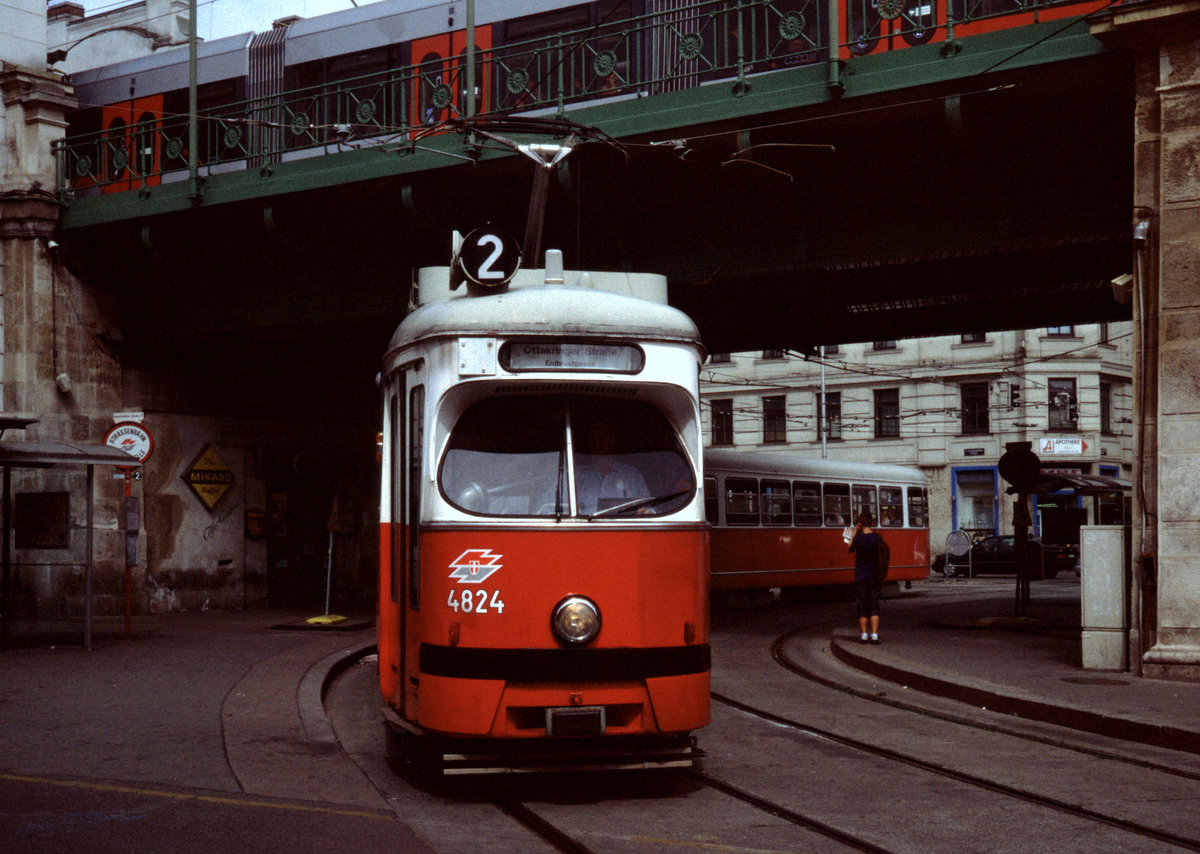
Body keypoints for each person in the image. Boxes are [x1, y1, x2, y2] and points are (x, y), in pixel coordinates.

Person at [573, 424, 651, 515]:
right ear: (591, 445)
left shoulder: (632, 476)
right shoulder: (575, 475)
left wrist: (646, 512)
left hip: (623, 527)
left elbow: (648, 508)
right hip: (584, 528)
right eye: (598, 440)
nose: (603, 445)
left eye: (607, 439)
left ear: (613, 443)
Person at [848, 511, 884, 644]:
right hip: (874, 576)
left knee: (862, 606)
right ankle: (874, 636)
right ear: (872, 523)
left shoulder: (858, 539)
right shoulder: (877, 537)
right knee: (874, 605)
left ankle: (864, 635)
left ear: (859, 524)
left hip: (861, 577)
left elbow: (849, 549)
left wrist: (853, 533)